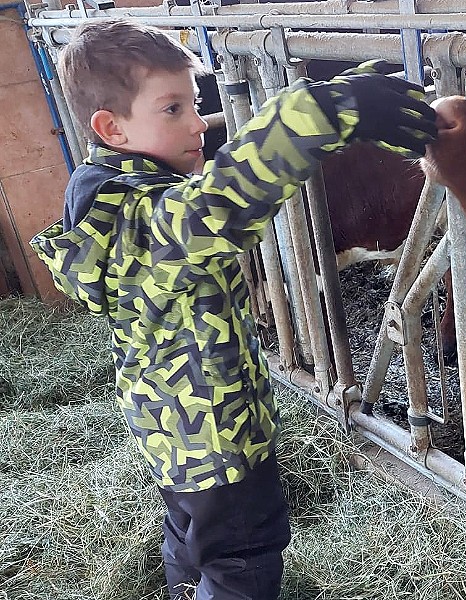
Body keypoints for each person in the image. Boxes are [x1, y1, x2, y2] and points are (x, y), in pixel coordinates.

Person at [30, 18, 437, 600]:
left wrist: (342, 95)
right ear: (110, 128)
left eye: (195, 104)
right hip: (217, 444)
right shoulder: (138, 220)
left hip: (176, 436)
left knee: (192, 542)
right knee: (242, 562)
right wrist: (317, 114)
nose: (199, 124)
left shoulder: (113, 194)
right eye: (172, 109)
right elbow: (216, 206)